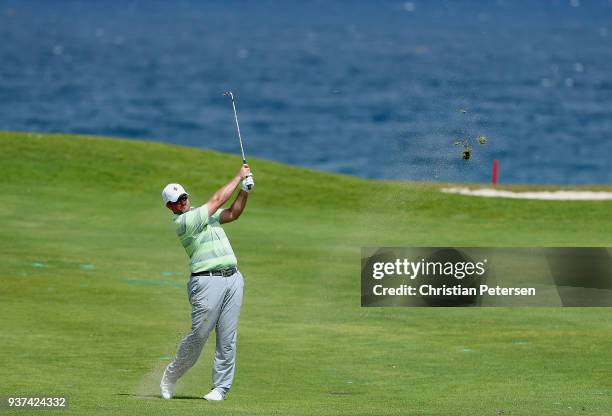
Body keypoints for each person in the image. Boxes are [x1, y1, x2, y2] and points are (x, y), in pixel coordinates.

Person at [159, 164, 254, 401]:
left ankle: (220, 388)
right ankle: (170, 377)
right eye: (177, 201)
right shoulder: (184, 223)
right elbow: (218, 199)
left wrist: (245, 190)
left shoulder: (206, 216)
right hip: (206, 282)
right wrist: (238, 177)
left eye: (184, 197)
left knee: (227, 337)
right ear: (170, 207)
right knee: (199, 334)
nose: (182, 202)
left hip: (233, 279)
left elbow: (233, 213)